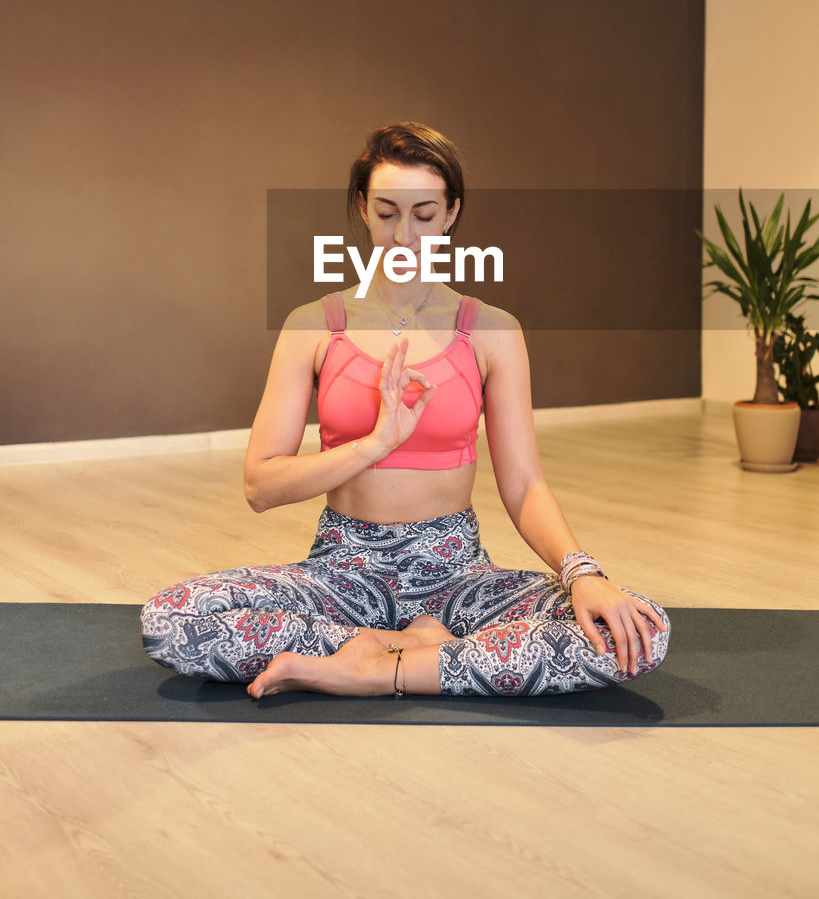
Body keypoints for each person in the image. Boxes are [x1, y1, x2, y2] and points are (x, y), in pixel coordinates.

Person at [140, 122, 670, 699]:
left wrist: (582, 574)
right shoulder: (312, 326)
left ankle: (370, 667)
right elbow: (260, 486)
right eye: (387, 212)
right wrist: (374, 444)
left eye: (424, 215)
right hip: (342, 572)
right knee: (171, 621)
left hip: (455, 576)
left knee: (638, 630)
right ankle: (419, 652)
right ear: (363, 211)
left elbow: (523, 485)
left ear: (450, 215)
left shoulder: (491, 331)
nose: (404, 236)